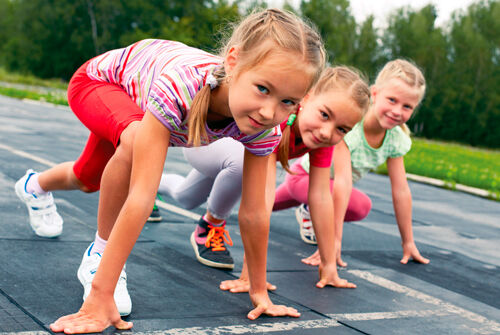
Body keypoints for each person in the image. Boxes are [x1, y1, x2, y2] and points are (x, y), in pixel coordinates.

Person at [16, 9, 326, 333]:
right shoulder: (183, 87)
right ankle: (99, 260)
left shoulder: (265, 128)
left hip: (132, 103)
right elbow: (141, 196)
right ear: (233, 62)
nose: (269, 111)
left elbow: (254, 213)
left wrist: (258, 290)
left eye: (288, 101)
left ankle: (33, 185)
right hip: (99, 84)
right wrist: (100, 295)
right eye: (263, 88)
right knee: (133, 141)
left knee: (86, 178)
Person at [159, 66, 370, 291]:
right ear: (306, 99)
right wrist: (250, 276)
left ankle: (157, 185)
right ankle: (210, 224)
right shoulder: (275, 122)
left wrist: (329, 266)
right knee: (243, 166)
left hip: (227, 158)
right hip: (203, 143)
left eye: (342, 129)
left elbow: (320, 197)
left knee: (185, 197)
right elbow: (261, 200)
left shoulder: (322, 140)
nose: (328, 132)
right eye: (325, 115)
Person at [283, 59, 430, 268]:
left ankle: (305, 207)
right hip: (305, 178)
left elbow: (401, 191)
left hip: (321, 187)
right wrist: (333, 241)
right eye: (392, 100)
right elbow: (342, 182)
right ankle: (308, 208)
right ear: (375, 94)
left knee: (360, 206)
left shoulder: (396, 139)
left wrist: (408, 242)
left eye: (407, 106)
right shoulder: (349, 126)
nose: (397, 111)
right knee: (352, 201)